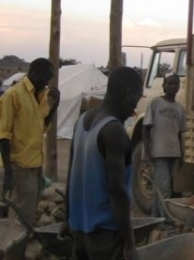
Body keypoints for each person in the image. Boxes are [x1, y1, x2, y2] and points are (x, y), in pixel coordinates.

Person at [61, 67, 143, 260]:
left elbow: (71, 177)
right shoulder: (113, 131)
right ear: (128, 94)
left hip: (79, 229)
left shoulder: (82, 121)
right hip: (105, 235)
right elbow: (118, 191)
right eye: (136, 100)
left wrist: (67, 219)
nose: (135, 108)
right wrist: (130, 244)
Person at [0, 58, 60, 227]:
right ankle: (13, 251)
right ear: (35, 74)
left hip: (35, 165)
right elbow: (3, 136)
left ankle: (19, 248)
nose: (47, 83)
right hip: (21, 166)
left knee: (28, 213)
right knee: (21, 217)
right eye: (46, 78)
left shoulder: (41, 95)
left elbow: (42, 125)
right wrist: (9, 172)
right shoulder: (13, 95)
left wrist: (54, 106)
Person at [141, 74, 186, 231]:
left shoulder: (180, 108)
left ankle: (154, 219)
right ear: (164, 86)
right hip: (158, 153)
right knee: (165, 188)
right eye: (170, 84)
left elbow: (180, 133)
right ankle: (166, 221)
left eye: (176, 84)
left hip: (173, 153)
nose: (174, 86)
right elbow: (146, 128)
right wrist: (146, 152)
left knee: (161, 189)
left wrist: (182, 154)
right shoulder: (155, 103)